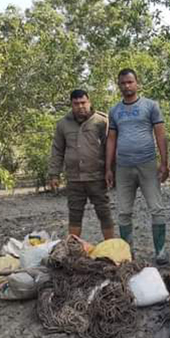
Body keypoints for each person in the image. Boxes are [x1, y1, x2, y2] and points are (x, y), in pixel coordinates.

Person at [105, 69, 169, 264]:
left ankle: (161, 251)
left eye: (130, 82)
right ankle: (127, 253)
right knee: (123, 211)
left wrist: (165, 162)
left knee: (156, 208)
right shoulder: (115, 110)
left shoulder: (150, 106)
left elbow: (160, 134)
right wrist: (108, 167)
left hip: (147, 164)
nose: (127, 86)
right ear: (119, 85)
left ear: (137, 83)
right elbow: (111, 139)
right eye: (123, 83)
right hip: (123, 167)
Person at [49, 89, 114, 240]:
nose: (80, 106)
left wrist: (111, 171)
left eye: (83, 102)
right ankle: (72, 250)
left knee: (104, 212)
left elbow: (110, 147)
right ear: (71, 105)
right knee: (75, 214)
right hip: (74, 179)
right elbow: (57, 150)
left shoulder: (101, 121)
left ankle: (112, 247)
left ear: (89, 101)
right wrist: (54, 174)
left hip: (97, 177)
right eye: (76, 104)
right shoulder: (63, 124)